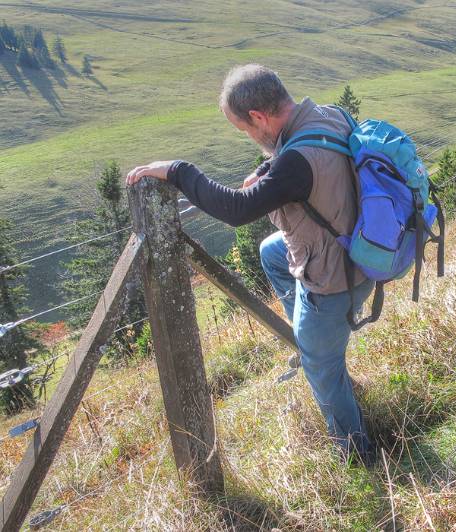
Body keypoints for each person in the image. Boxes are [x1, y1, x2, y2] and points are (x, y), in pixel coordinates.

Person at [126, 64, 375, 464]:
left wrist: (178, 170)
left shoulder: (295, 162)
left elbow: (236, 209)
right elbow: (306, 155)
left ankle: (358, 455)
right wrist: (266, 170)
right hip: (358, 244)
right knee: (271, 251)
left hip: (336, 277)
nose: (247, 135)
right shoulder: (328, 114)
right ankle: (315, 339)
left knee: (322, 371)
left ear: (258, 116)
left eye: (244, 128)